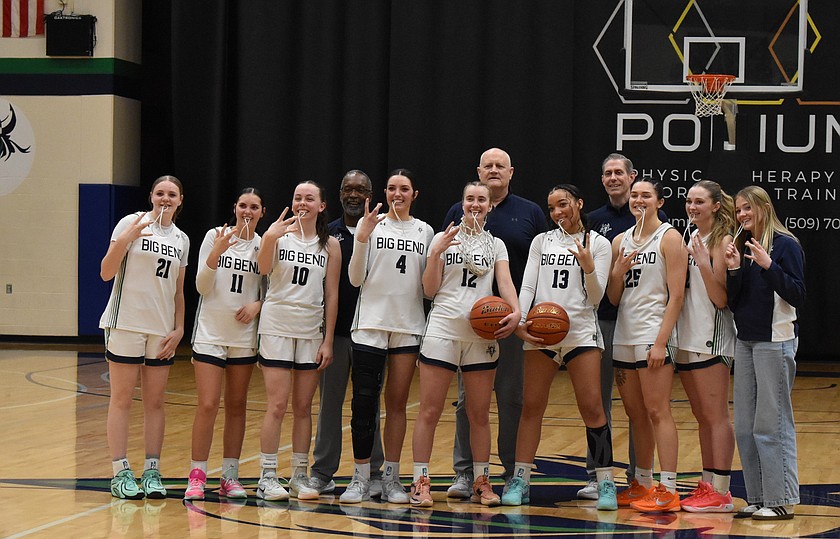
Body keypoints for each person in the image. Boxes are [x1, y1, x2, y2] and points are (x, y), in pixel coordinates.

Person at [442, 148, 547, 498]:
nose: (494, 170)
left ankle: (513, 471)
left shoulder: (530, 212)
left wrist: (524, 314)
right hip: (471, 322)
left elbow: (543, 264)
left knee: (511, 397)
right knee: (466, 402)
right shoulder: (458, 212)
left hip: (513, 320)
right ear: (478, 171)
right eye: (487, 165)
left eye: (500, 165)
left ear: (511, 172)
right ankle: (464, 472)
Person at [505, 184, 617, 510]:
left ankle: (605, 481)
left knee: (593, 407)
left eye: (563, 204)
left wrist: (589, 267)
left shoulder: (598, 243)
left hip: (580, 332)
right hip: (542, 331)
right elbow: (528, 285)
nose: (557, 212)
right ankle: (521, 480)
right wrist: (521, 321)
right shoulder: (542, 241)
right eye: (552, 207)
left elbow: (596, 298)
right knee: (531, 406)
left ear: (579, 204)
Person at [410, 181, 521, 508]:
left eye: (481, 200)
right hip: (443, 329)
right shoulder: (442, 238)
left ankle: (481, 481)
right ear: (462, 204)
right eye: (470, 198)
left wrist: (516, 312)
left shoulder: (497, 244)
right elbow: (429, 290)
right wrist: (435, 253)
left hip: (480, 336)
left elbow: (504, 282)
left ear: (490, 206)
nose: (475, 204)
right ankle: (420, 481)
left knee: (479, 414)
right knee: (429, 410)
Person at [341, 169, 434, 504]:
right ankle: (360, 478)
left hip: (408, 326)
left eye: (404, 189)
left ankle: (392, 478)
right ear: (384, 192)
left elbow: (429, 285)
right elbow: (355, 279)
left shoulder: (425, 231)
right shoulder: (371, 225)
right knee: (364, 404)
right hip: (370, 324)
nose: (398, 194)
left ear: (414, 194)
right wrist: (361, 238)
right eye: (392, 188)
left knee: (397, 404)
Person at [99, 175, 190, 500]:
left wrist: (179, 329)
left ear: (180, 201)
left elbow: (178, 291)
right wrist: (126, 239)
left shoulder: (181, 239)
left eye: (172, 194)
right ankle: (120, 471)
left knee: (155, 402)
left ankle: (152, 470)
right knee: (122, 399)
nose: (166, 198)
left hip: (161, 330)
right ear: (151, 196)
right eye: (160, 193)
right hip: (126, 323)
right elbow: (106, 272)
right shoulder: (131, 222)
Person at [584, 153, 666, 500]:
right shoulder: (593, 220)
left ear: (632, 177)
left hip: (640, 323)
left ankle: (639, 475)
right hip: (603, 320)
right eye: (608, 173)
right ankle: (597, 474)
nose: (614, 178)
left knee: (641, 408)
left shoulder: (659, 225)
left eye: (619, 172)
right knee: (597, 402)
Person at [255, 181, 340, 501]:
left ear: (321, 206)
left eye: (309, 198)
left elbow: (332, 295)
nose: (302, 202)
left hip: (310, 331)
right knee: (277, 405)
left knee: (303, 407)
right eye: (297, 198)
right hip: (277, 326)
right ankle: (267, 476)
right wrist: (269, 237)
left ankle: (300, 475)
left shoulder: (330, 245)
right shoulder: (278, 236)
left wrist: (328, 340)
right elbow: (262, 269)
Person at [606, 178, 687, 513]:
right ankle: (641, 482)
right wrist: (617, 272)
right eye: (635, 195)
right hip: (624, 335)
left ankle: (669, 488)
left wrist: (661, 342)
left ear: (659, 202)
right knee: (635, 413)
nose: (638, 200)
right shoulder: (620, 240)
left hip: (653, 334)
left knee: (657, 411)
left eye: (646, 195)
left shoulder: (670, 237)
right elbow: (613, 298)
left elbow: (677, 296)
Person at [724, 185, 805, 520]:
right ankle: (758, 497)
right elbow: (735, 302)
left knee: (771, 425)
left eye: (748, 208)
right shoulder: (742, 244)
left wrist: (770, 265)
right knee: (745, 427)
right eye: (738, 210)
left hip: (775, 340)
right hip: (746, 340)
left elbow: (797, 293)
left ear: (764, 208)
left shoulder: (786, 244)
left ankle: (780, 500)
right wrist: (733, 270)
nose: (742, 215)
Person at [184, 188, 266, 500]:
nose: (247, 211)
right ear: (235, 208)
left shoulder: (263, 245)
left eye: (254, 207)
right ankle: (197, 475)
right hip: (210, 333)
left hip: (243, 337)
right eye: (243, 205)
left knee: (237, 405)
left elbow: (270, 289)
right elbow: (201, 286)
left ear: (262, 213)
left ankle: (230, 476)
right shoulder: (214, 236)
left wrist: (258, 305)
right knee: (207, 404)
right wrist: (216, 253)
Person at [309, 171, 386, 496]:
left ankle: (374, 472)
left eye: (360, 189)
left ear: (371, 194)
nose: (354, 195)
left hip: (372, 332)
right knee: (329, 405)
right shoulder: (327, 234)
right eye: (348, 189)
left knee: (369, 404)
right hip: (337, 334)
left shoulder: (382, 231)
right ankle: (322, 472)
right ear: (339, 194)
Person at [674, 180, 738, 513]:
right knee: (701, 416)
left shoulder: (722, 240)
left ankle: (723, 492)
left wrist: (702, 262)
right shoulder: (690, 236)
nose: (692, 206)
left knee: (716, 416)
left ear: (715, 205)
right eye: (689, 201)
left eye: (699, 201)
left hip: (712, 335)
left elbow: (721, 298)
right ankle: (708, 484)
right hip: (687, 335)